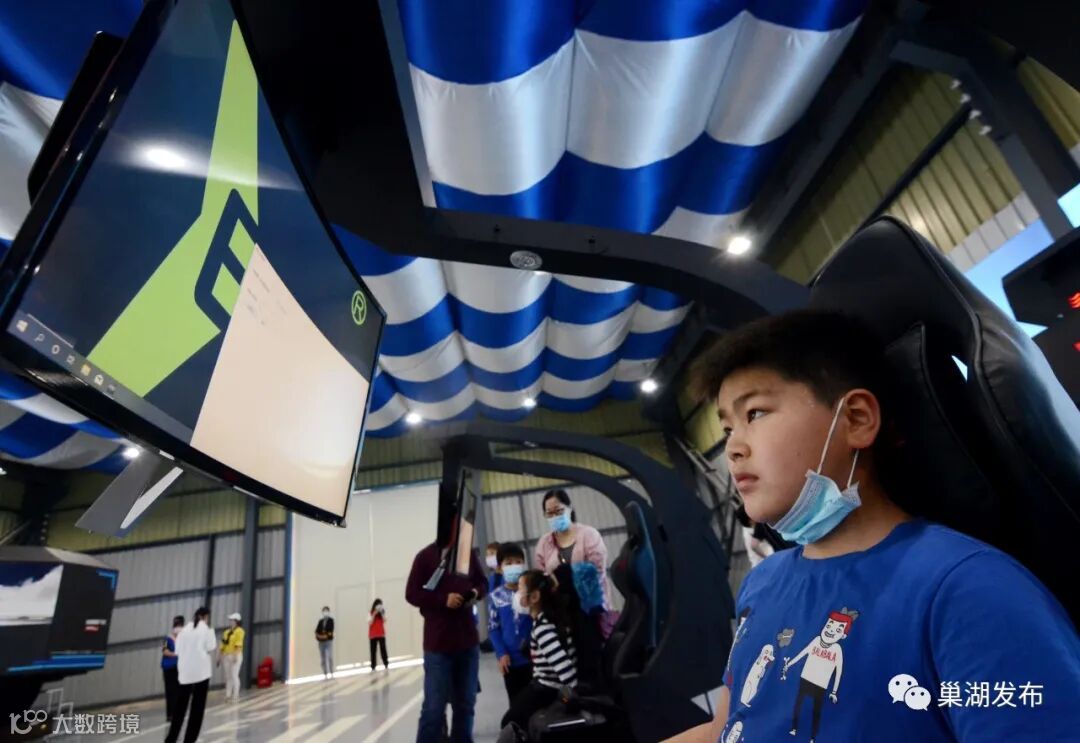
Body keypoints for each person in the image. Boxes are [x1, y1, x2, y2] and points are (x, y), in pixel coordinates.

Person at [664, 309, 1080, 743]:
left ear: (857, 419)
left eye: (754, 414)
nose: (732, 448)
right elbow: (727, 727)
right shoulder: (761, 583)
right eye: (727, 428)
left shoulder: (969, 592)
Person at [406, 529, 488, 743]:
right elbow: (412, 593)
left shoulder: (467, 555)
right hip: (438, 646)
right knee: (434, 709)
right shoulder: (425, 557)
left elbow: (482, 583)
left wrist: (475, 593)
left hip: (467, 642)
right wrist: (443, 600)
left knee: (465, 705)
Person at [500, 570, 577, 734]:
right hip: (543, 684)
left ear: (534, 597)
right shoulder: (548, 619)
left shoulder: (543, 628)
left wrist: (565, 702)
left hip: (548, 689)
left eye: (520, 589)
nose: (516, 595)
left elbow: (567, 673)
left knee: (509, 724)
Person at [534, 490, 610, 608]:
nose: (554, 517)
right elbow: (541, 576)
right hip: (561, 608)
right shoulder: (544, 543)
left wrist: (564, 579)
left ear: (570, 509)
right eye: (549, 513)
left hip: (591, 606)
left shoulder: (589, 534)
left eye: (559, 511)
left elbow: (596, 570)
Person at [488, 543, 533, 705]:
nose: (514, 566)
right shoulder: (496, 596)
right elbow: (493, 628)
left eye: (518, 562)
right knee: (517, 704)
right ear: (500, 568)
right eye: (508, 563)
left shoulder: (532, 593)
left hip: (535, 659)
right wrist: (501, 654)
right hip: (511, 663)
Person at [165, 607, 216, 743]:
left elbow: (177, 650)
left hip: (185, 674)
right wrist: (211, 631)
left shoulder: (184, 631)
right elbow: (211, 647)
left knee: (180, 708)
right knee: (197, 709)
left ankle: (171, 739)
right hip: (201, 673)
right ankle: (189, 740)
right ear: (205, 617)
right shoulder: (206, 629)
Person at [161, 615, 184, 722]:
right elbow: (164, 651)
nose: (178, 628)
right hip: (169, 668)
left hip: (179, 667)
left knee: (179, 691)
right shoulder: (167, 638)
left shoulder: (183, 639)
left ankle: (178, 713)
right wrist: (175, 654)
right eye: (176, 626)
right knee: (170, 691)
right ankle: (170, 714)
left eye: (179, 626)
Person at [218, 612, 245, 701]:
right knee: (228, 676)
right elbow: (223, 644)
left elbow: (239, 643)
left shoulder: (240, 631)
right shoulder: (227, 632)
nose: (231, 621)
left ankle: (236, 695)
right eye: (230, 620)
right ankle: (228, 694)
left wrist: (235, 655)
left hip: (236, 655)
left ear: (237, 621)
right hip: (227, 655)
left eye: (232, 620)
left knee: (234, 675)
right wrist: (219, 656)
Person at [369, 599, 390, 671]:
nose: (379, 606)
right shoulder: (371, 612)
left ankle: (386, 663)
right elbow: (370, 622)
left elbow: (385, 620)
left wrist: (381, 613)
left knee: (383, 649)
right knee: (373, 651)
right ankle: (373, 666)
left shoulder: (382, 613)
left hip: (381, 634)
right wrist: (374, 614)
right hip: (373, 635)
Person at [315, 606, 335, 680]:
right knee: (323, 658)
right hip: (321, 642)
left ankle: (331, 672)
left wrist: (325, 636)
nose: (325, 612)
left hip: (328, 641)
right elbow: (316, 631)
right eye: (324, 611)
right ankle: (325, 673)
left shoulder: (331, 620)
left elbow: (330, 631)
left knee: (329, 656)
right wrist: (319, 636)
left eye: (326, 611)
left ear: (328, 612)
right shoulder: (320, 621)